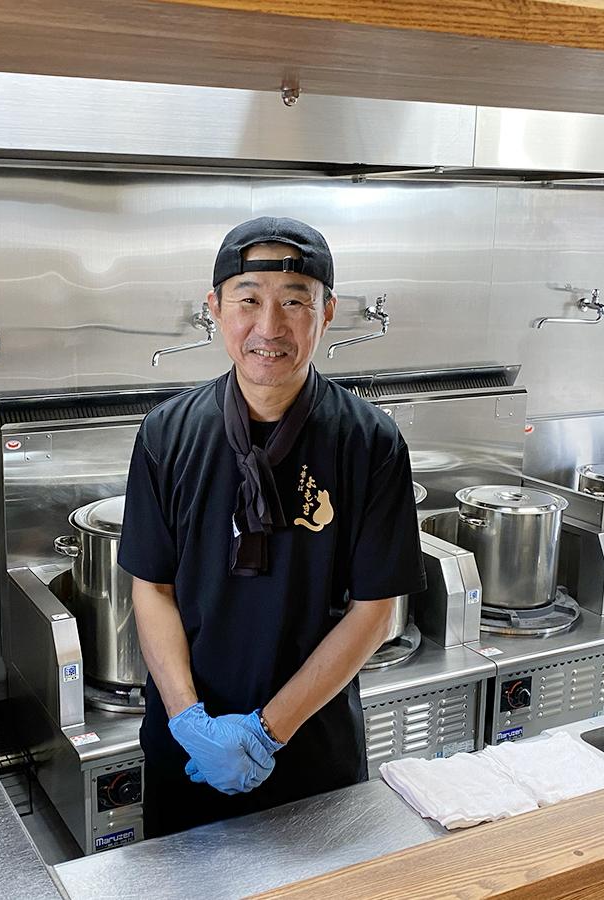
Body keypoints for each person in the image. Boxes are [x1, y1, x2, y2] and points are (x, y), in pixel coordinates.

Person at [118, 216, 425, 838]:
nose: (269, 328)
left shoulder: (369, 442)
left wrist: (268, 731)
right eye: (248, 300)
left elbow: (375, 611)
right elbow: (151, 587)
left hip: (311, 746)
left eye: (294, 302)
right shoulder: (166, 434)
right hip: (186, 748)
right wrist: (188, 720)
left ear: (327, 312)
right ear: (214, 309)